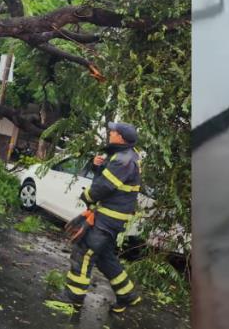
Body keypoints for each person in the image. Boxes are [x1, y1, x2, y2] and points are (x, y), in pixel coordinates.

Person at [64, 122, 142, 314]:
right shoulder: (123, 155)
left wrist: (87, 197)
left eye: (114, 131)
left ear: (121, 138)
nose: (110, 132)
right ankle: (128, 296)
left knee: (84, 253)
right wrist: (97, 166)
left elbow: (104, 187)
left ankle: (74, 300)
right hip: (110, 216)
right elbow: (106, 179)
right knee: (105, 258)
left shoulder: (124, 159)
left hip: (108, 218)